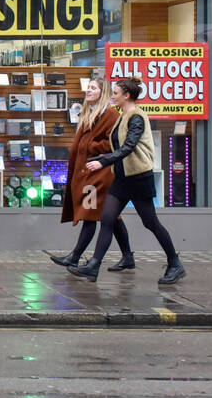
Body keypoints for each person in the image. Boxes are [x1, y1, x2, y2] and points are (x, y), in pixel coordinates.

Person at [67, 77, 185, 285]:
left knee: (151, 223)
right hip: (122, 178)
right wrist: (101, 159)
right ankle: (94, 266)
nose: (112, 96)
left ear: (126, 95)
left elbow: (129, 146)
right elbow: (116, 146)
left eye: (115, 93)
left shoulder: (136, 117)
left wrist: (103, 162)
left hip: (139, 179)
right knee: (107, 219)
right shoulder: (122, 116)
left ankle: (175, 263)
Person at [49, 76, 134, 271]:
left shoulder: (110, 115)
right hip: (88, 171)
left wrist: (91, 146)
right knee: (111, 217)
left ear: (102, 93)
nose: (88, 91)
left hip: (99, 173)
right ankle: (128, 256)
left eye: (93, 88)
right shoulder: (89, 113)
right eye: (88, 87)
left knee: (89, 214)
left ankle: (75, 256)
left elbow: (114, 142)